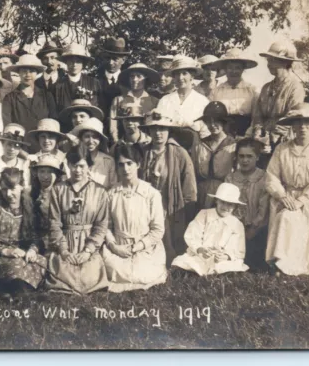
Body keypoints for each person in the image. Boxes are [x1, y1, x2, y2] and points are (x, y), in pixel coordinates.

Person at [265, 103, 309, 276]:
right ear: (292, 126)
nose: (302, 127)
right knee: (286, 217)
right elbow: (271, 176)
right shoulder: (282, 149)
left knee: (297, 222)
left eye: (307, 122)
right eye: (298, 123)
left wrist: (301, 200)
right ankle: (281, 262)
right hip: (287, 196)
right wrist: (281, 195)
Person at [45, 146, 109, 295]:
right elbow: (54, 222)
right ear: (68, 165)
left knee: (90, 277)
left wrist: (88, 251)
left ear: (89, 166)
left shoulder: (100, 191)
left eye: (82, 166)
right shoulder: (58, 189)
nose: (78, 170)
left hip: (88, 243)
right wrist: (64, 251)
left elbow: (101, 225)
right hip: (65, 242)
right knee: (62, 277)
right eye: (74, 166)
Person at [102, 144, 167, 292]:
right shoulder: (111, 194)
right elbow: (106, 225)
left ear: (138, 164)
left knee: (144, 273)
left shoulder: (151, 194)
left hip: (144, 247)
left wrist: (136, 247)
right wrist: (113, 246)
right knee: (113, 269)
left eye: (129, 163)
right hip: (118, 246)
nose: (125, 169)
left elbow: (157, 230)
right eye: (121, 165)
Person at [137, 108, 197, 267]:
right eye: (154, 128)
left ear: (169, 130)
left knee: (171, 238)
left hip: (171, 204)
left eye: (162, 128)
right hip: (148, 204)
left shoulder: (179, 153)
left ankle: (171, 262)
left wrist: (187, 207)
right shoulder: (143, 152)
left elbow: (189, 184)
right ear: (149, 131)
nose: (158, 133)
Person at [0, 168, 47, 299]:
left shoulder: (28, 205)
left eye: (13, 189)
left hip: (20, 254)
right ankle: (20, 293)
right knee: (16, 265)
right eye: (4, 189)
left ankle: (10, 291)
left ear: (22, 187)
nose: (9, 194)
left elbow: (35, 237)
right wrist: (7, 251)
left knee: (41, 261)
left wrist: (32, 250)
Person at [171, 183, 249, 276]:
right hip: (201, 255)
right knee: (181, 262)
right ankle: (195, 272)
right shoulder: (204, 214)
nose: (225, 207)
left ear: (235, 206)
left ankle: (218, 272)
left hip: (221, 258)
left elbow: (238, 248)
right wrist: (200, 249)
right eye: (222, 202)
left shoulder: (236, 224)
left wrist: (226, 256)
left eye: (230, 204)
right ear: (217, 201)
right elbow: (192, 234)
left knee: (231, 266)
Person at [251, 40, 306, 153]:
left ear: (285, 63)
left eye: (273, 60)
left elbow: (291, 117)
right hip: (263, 143)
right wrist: (258, 133)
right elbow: (258, 115)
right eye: (268, 60)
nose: (269, 64)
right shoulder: (266, 88)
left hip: (285, 141)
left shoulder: (295, 88)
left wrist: (273, 138)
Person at [225, 138, 269, 271]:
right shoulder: (230, 178)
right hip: (234, 228)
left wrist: (254, 228)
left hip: (257, 229)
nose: (245, 160)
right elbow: (226, 206)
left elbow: (264, 209)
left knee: (255, 262)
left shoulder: (263, 177)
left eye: (249, 156)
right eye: (241, 156)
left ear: (257, 157)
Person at [191, 101, 237, 209]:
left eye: (216, 121)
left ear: (224, 122)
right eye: (208, 121)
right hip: (201, 191)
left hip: (224, 192)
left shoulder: (233, 145)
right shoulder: (200, 144)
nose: (212, 125)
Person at [204, 48, 259, 136]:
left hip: (246, 132)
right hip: (223, 133)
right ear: (225, 69)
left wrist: (249, 133)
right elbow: (211, 116)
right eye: (230, 68)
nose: (233, 71)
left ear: (243, 69)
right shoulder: (217, 91)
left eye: (237, 68)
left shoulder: (252, 90)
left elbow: (257, 117)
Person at [2, 54, 58, 136]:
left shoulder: (46, 96)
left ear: (36, 73)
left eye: (31, 71)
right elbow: (7, 124)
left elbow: (53, 121)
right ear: (19, 73)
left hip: (42, 141)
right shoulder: (10, 98)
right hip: (19, 141)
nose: (28, 75)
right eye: (24, 71)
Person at [156, 55, 210, 138]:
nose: (180, 77)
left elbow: (206, 132)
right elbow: (158, 127)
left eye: (184, 73)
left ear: (192, 76)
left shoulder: (202, 101)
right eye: (177, 74)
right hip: (169, 146)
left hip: (194, 146)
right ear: (174, 77)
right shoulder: (165, 100)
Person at [108, 63, 160, 144]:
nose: (135, 79)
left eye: (139, 76)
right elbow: (113, 125)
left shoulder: (154, 101)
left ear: (145, 78)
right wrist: (116, 141)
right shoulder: (119, 100)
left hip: (148, 144)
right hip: (125, 143)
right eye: (132, 76)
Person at [29, 155, 66, 252]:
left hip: (59, 242)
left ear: (57, 175)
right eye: (41, 171)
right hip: (35, 242)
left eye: (50, 172)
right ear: (36, 173)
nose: (45, 176)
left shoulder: (63, 194)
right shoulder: (30, 194)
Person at [54, 43, 102, 115]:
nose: (74, 65)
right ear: (66, 62)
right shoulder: (58, 86)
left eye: (78, 61)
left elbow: (99, 106)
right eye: (71, 61)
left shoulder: (94, 83)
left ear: (83, 63)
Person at [96, 37, 131, 131]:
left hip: (123, 130)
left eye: (115, 59)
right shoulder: (94, 80)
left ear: (123, 60)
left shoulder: (129, 82)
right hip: (98, 130)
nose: (111, 63)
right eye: (108, 58)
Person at [71, 118, 116, 189]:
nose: (91, 141)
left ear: (100, 139)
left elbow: (113, 186)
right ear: (81, 138)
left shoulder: (108, 161)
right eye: (87, 136)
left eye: (94, 137)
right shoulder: (72, 160)